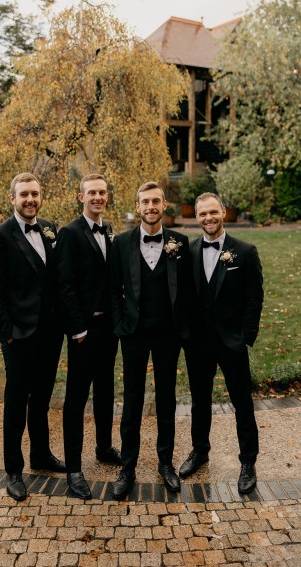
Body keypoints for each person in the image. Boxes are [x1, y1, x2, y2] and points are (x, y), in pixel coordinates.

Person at [0, 172, 65, 502]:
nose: (30, 199)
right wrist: (8, 336)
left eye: (34, 193)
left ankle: (41, 455)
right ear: (12, 199)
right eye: (24, 195)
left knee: (42, 399)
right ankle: (13, 470)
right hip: (20, 335)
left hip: (50, 333)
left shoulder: (49, 228)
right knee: (17, 403)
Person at [110, 181, 193, 500]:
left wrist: (183, 328)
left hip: (168, 336)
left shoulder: (180, 242)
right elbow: (113, 289)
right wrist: (120, 325)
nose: (151, 207)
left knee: (166, 400)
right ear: (138, 205)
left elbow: (186, 290)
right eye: (145, 202)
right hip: (133, 334)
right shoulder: (122, 243)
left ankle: (165, 463)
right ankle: (127, 467)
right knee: (132, 401)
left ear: (164, 205)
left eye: (156, 201)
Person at [180, 192, 263, 494]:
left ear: (223, 212)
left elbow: (255, 298)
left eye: (213, 212)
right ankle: (200, 452)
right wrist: (186, 334)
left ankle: (248, 461)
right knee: (200, 401)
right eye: (202, 214)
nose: (208, 218)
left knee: (242, 403)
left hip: (232, 342)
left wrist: (244, 337)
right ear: (197, 217)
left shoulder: (244, 251)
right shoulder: (188, 252)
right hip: (198, 344)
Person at [56, 173, 120, 500]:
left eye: (102, 192)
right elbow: (64, 285)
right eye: (91, 192)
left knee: (106, 391)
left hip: (109, 330)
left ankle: (104, 446)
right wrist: (77, 329)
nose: (97, 197)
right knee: (76, 401)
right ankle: (74, 469)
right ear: (80, 196)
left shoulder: (107, 230)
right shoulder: (69, 233)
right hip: (84, 332)